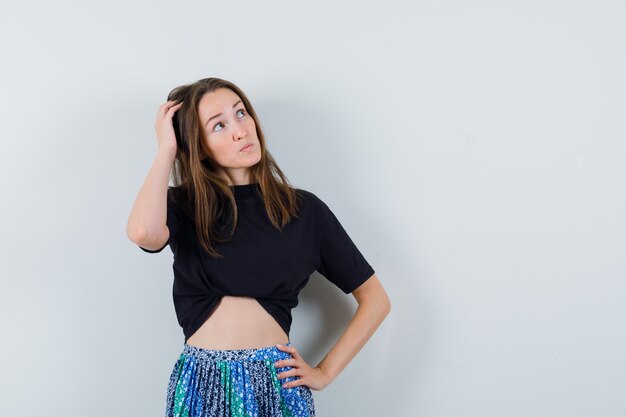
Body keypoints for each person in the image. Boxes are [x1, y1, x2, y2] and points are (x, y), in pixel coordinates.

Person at [126, 77, 391, 417]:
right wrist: (166, 150)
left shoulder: (303, 211)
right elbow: (142, 232)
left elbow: (376, 300)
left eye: (241, 113)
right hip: (202, 383)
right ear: (198, 145)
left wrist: (325, 373)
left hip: (276, 383)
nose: (240, 130)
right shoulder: (183, 206)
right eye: (219, 125)